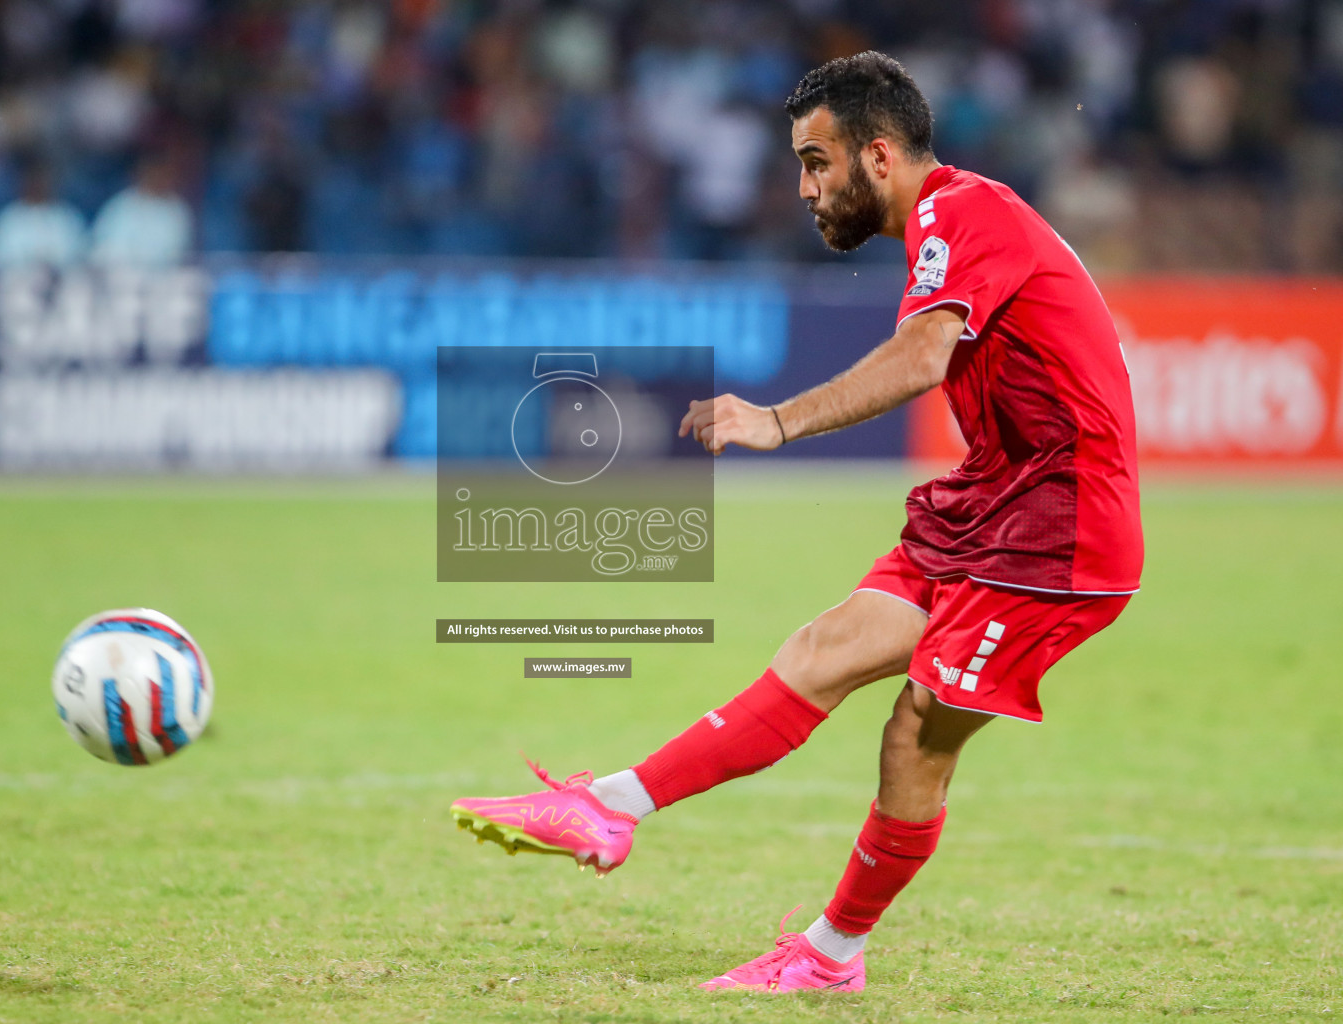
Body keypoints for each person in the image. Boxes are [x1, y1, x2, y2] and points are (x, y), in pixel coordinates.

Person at [449, 51, 1143, 994]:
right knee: (824, 648)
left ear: (881, 155)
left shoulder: (963, 211)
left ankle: (831, 954)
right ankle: (609, 806)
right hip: (994, 498)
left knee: (917, 733)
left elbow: (924, 354)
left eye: (818, 163)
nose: (806, 188)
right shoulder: (948, 224)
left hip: (1062, 531)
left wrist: (780, 420)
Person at [90, 152, 193, 267]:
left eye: (162, 173)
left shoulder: (178, 210)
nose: (158, 178)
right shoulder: (120, 206)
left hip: (164, 276)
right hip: (121, 273)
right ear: (141, 173)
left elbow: (178, 252)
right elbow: (104, 248)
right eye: (153, 173)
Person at [0, 159, 88, 272]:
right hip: (20, 277)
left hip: (61, 278)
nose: (38, 185)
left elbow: (78, 255)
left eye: (42, 180)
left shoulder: (67, 216)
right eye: (33, 180)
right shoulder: (8, 218)